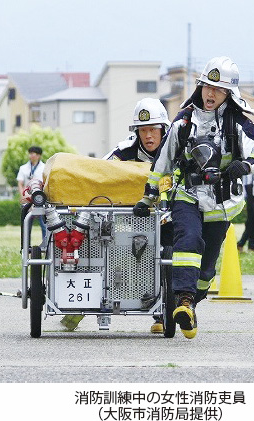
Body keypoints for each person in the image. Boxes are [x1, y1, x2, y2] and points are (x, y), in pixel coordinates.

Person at [133, 56, 254, 339]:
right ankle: (183, 300)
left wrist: (245, 165)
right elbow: (163, 162)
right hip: (187, 194)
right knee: (188, 241)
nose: (211, 94)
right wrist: (148, 198)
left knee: (207, 268)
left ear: (228, 93)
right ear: (199, 87)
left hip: (222, 204)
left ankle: (191, 305)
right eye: (207, 86)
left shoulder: (238, 123)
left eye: (218, 89)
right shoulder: (184, 121)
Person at [61, 98, 171, 333]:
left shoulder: (177, 148)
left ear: (164, 129)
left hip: (170, 217)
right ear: (136, 132)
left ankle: (163, 312)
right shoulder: (124, 151)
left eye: (153, 129)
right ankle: (82, 306)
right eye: (143, 130)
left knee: (172, 260)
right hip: (131, 218)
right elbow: (100, 174)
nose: (149, 136)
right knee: (105, 250)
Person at [17, 146, 46, 238]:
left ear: (39, 156)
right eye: (30, 153)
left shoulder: (44, 168)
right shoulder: (23, 168)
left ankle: (46, 247)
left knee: (44, 225)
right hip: (27, 198)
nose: (31, 155)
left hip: (41, 199)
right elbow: (20, 183)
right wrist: (23, 195)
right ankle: (26, 248)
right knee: (26, 226)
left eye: (34, 153)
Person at [237, 174, 254, 252]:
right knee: (252, 221)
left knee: (253, 222)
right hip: (250, 195)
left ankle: (245, 244)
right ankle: (249, 245)